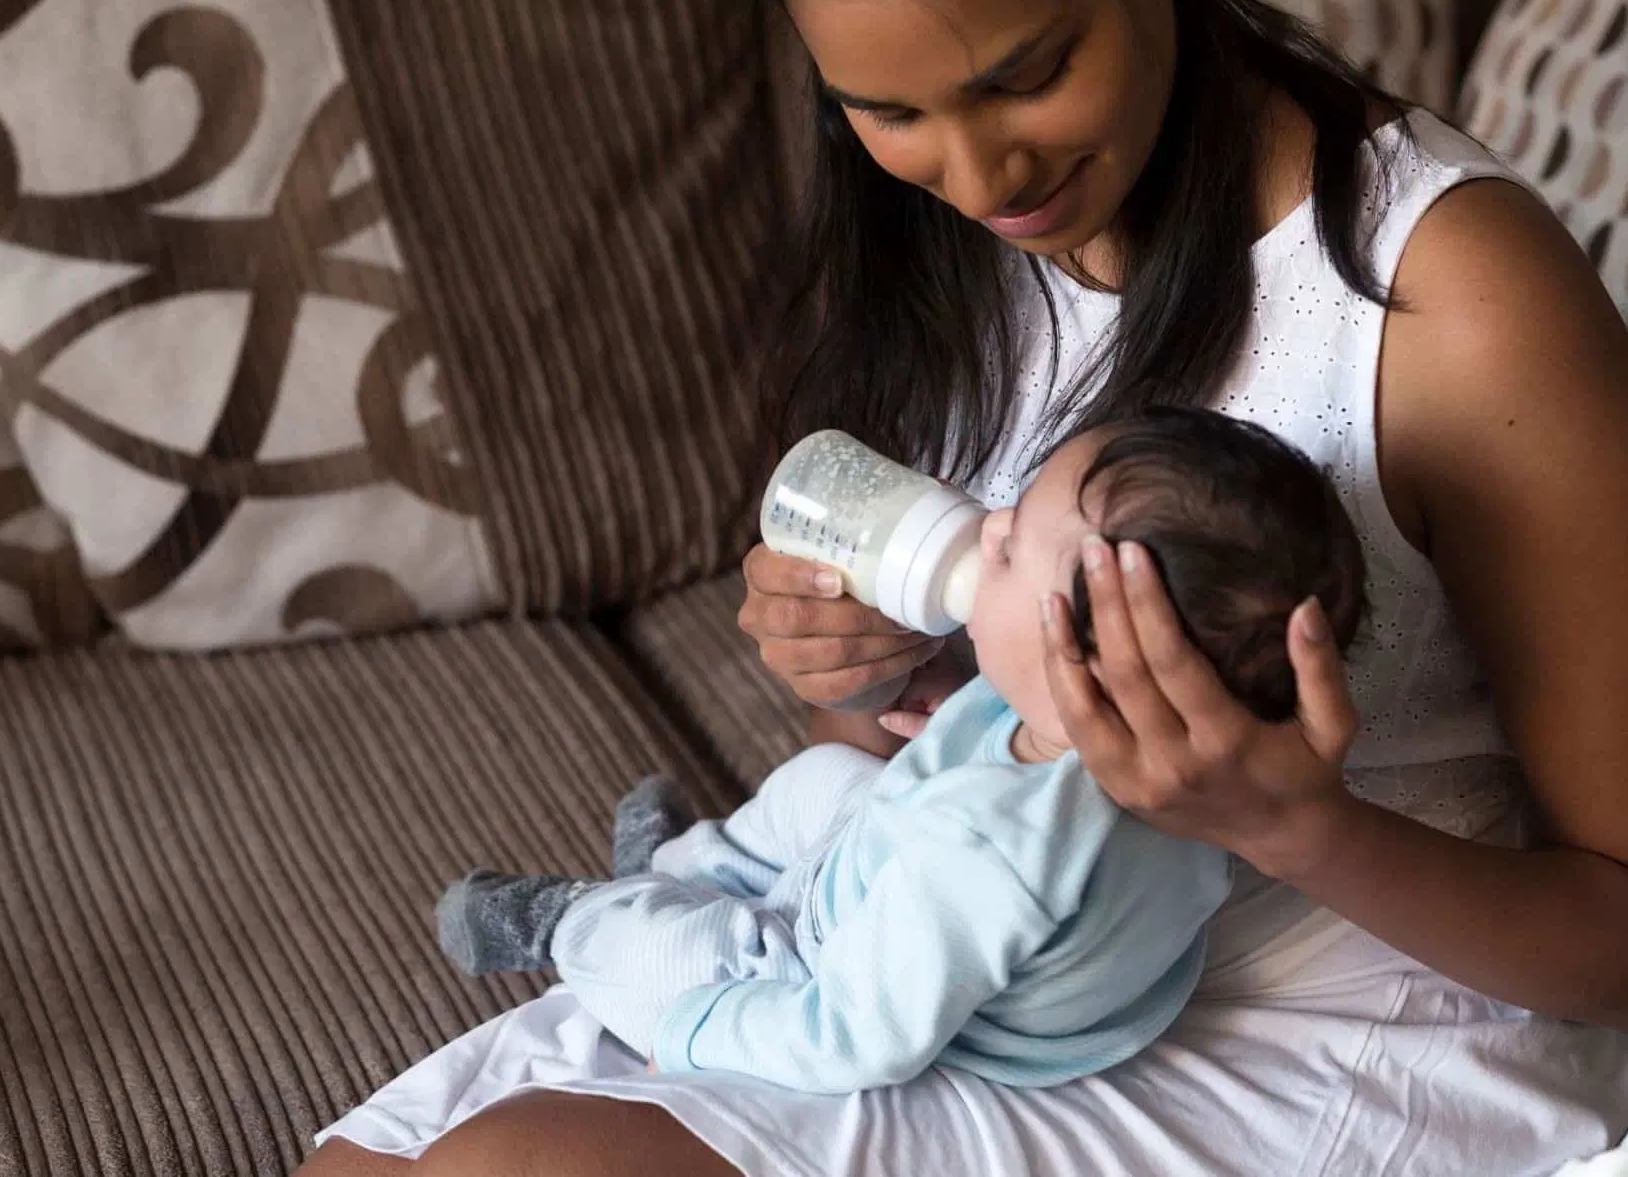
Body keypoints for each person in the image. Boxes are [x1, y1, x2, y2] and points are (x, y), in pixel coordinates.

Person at [299, 0, 1628, 1170]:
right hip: (993, 949)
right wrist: (872, 665)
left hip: (1350, 1018)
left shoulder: (1444, 298)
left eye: (1024, 75)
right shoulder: (955, 243)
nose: (977, 179)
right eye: (886, 111)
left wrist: (1295, 824)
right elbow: (941, 754)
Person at [427, 411, 1366, 1097]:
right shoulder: (1176, 757)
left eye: (1010, 550)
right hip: (907, 870)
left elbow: (852, 1036)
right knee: (824, 781)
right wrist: (956, 737)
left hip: (843, 968)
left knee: (660, 954)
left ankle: (566, 915)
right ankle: (679, 865)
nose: (988, 526)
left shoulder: (988, 854)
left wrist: (697, 1038)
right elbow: (1004, 777)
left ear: (1089, 663)